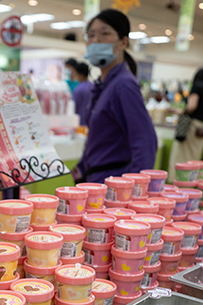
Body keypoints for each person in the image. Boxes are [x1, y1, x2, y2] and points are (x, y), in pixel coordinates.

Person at [74, 9, 156, 183]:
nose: (95, 41)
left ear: (123, 42)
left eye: (104, 34)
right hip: (96, 179)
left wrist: (136, 192)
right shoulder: (103, 85)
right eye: (91, 35)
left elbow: (144, 141)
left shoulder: (123, 85)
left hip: (112, 184)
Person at [168, 68, 203, 180]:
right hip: (202, 127)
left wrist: (180, 111)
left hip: (191, 127)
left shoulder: (196, 87)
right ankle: (191, 180)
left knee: (182, 155)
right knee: (194, 157)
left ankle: (178, 179)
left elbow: (192, 106)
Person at [67, 59, 93, 126]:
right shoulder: (93, 87)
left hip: (80, 122)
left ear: (80, 74)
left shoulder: (78, 89)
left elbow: (73, 108)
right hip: (91, 121)